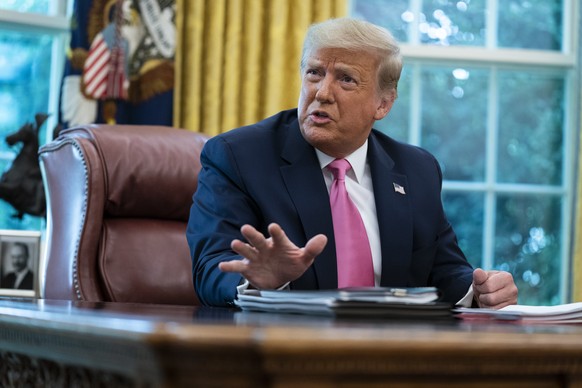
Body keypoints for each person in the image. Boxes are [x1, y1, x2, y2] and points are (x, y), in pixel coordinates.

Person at [186, 17, 518, 308]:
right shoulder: (238, 156)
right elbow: (211, 267)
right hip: (287, 357)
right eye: (314, 73)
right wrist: (261, 281)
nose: (322, 92)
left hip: (389, 362)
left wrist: (480, 290)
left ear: (383, 104)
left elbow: (443, 271)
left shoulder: (417, 170)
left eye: (346, 79)